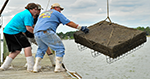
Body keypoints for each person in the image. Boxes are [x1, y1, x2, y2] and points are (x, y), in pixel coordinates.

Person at [33, 3, 89, 73]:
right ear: (56, 8)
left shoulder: (43, 13)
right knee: (60, 48)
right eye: (60, 9)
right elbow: (68, 22)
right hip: (46, 31)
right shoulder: (56, 13)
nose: (61, 11)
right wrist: (80, 27)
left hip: (36, 32)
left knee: (41, 49)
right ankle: (58, 67)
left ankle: (36, 67)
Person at [0, 3, 38, 72]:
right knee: (27, 46)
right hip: (13, 31)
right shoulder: (28, 15)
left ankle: (4, 66)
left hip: (8, 31)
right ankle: (30, 67)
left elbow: (25, 28)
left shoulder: (25, 13)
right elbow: (28, 28)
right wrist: (37, 33)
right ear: (30, 9)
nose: (36, 11)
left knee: (16, 50)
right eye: (35, 9)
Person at [24, 4, 55, 69]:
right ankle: (29, 63)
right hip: (28, 35)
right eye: (38, 10)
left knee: (46, 47)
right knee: (28, 48)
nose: (39, 11)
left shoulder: (41, 17)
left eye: (40, 10)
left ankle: (53, 62)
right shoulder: (28, 16)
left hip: (37, 35)